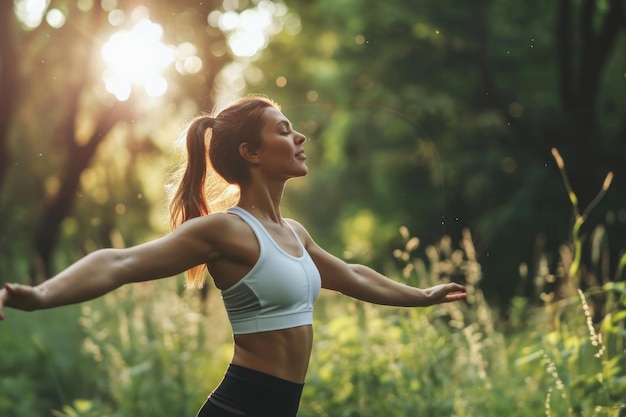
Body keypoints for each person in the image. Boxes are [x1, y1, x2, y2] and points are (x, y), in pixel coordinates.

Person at [0, 95, 466, 417]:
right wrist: (38, 295)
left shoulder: (294, 234)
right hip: (242, 407)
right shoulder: (226, 230)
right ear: (251, 152)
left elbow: (351, 276)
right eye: (284, 131)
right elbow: (118, 263)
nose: (300, 137)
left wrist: (421, 296)